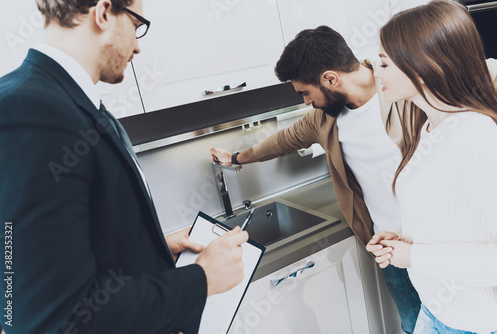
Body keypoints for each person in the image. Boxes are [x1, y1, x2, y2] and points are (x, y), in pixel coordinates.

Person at [210, 25, 497, 333]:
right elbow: (284, 140)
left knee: (465, 320)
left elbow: (482, 72)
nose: (305, 102)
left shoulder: (405, 90)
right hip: (389, 243)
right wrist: (237, 158)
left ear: (330, 79)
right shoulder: (324, 119)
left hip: (442, 245)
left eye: (306, 92)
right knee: (415, 324)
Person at [0, 0, 248, 333]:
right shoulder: (28, 109)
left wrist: (153, 250)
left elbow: (73, 251)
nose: (139, 46)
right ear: (103, 13)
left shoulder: (72, 101)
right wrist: (200, 280)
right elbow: (58, 316)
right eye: (136, 24)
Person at [370, 1, 497, 333]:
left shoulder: (475, 137)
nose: (376, 72)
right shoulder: (428, 128)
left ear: (423, 64)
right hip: (437, 313)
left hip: (473, 324)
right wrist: (404, 241)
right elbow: (458, 220)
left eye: (383, 62)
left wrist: (412, 257)